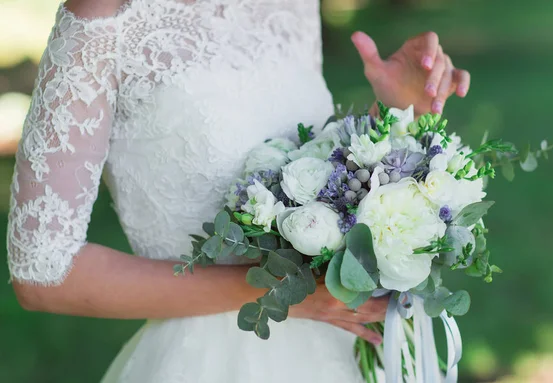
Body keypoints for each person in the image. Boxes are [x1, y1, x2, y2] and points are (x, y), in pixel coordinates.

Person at [6, 0, 470, 381]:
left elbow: (311, 172)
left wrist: (395, 111)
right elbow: (44, 270)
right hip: (209, 359)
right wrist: (276, 291)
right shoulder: (102, 18)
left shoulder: (292, 6)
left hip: (339, 348)